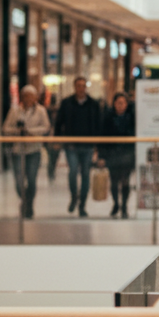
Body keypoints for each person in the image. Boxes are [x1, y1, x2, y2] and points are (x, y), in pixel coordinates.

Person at [53, 76, 102, 217]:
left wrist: (97, 145)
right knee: (73, 171)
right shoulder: (67, 103)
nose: (81, 88)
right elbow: (59, 122)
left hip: (87, 146)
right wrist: (57, 139)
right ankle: (74, 196)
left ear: (86, 87)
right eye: (78, 85)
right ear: (75, 87)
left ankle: (82, 204)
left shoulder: (93, 104)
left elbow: (98, 124)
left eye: (83, 85)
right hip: (71, 145)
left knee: (86, 174)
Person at [2, 86, 52, 218]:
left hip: (34, 150)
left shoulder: (40, 111)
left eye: (31, 96)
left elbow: (46, 127)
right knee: (19, 181)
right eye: (26, 96)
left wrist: (31, 132)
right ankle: (25, 201)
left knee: (31, 179)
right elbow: (6, 128)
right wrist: (18, 131)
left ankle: (28, 204)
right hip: (18, 150)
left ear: (35, 98)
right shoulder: (15, 111)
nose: (28, 99)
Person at [102, 91, 135, 217]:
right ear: (114, 104)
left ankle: (124, 206)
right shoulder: (108, 117)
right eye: (118, 103)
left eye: (123, 103)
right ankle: (116, 203)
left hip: (127, 153)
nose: (120, 105)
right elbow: (103, 136)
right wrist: (102, 155)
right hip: (113, 153)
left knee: (125, 181)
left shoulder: (132, 117)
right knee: (114, 181)